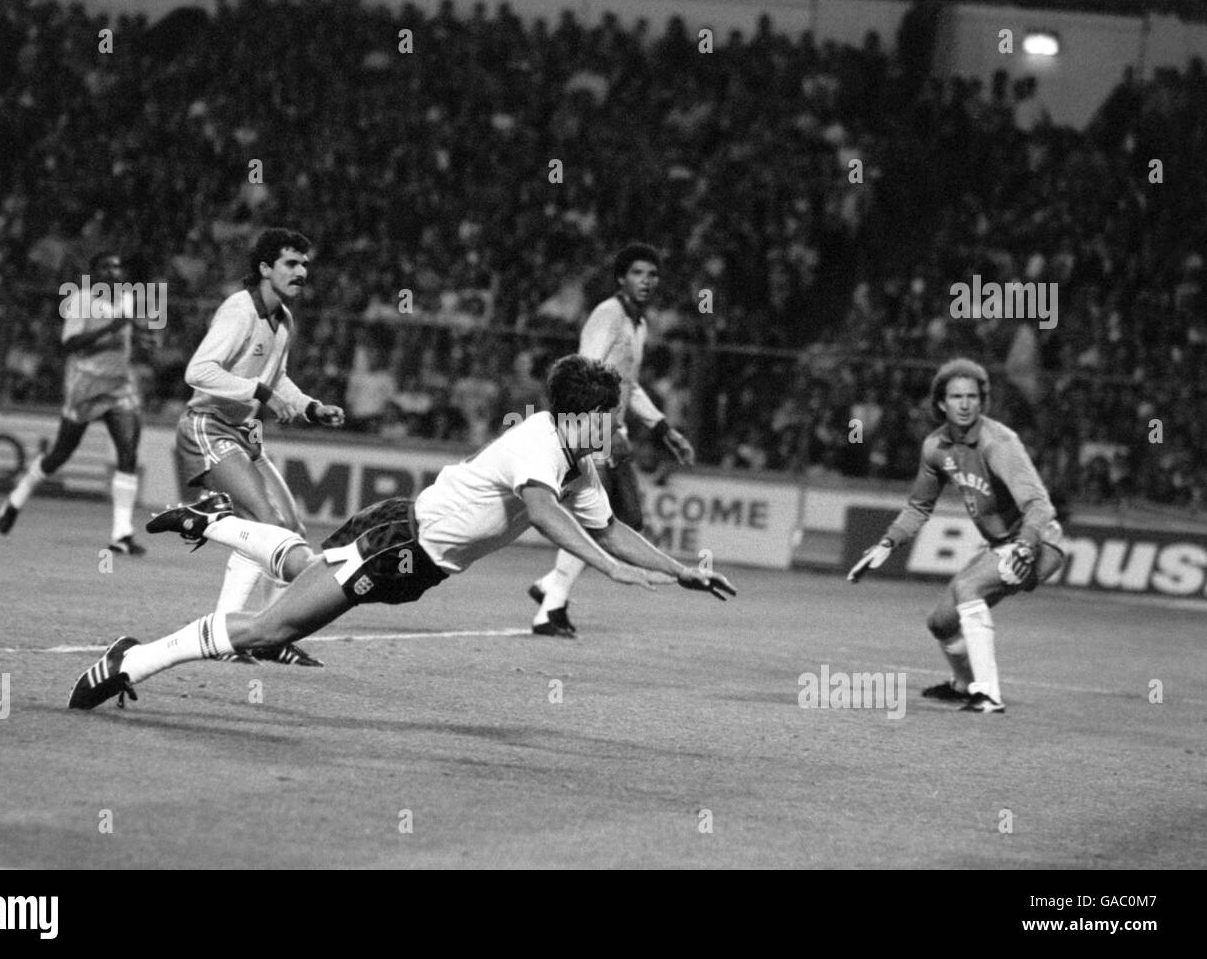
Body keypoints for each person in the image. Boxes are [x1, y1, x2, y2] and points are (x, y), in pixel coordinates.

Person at [69, 356, 736, 710]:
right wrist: (612, 571)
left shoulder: (578, 464)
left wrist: (680, 569)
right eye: (609, 418)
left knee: (303, 564)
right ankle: (129, 660)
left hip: (406, 553)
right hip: (397, 547)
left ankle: (217, 522)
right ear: (579, 415)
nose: (616, 429)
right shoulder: (539, 443)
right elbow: (541, 510)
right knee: (269, 631)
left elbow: (611, 526)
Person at [847, 358, 1065, 714]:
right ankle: (964, 685)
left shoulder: (1000, 443)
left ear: (982, 401)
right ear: (940, 403)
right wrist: (888, 543)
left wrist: (1025, 547)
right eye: (956, 397)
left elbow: (1040, 506)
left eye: (972, 397)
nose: (965, 404)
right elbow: (919, 506)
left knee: (968, 589)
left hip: (1040, 544)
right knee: (941, 622)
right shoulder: (935, 447)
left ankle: (987, 694)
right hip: (999, 545)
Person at [173, 228, 345, 666]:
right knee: (265, 523)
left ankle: (257, 633)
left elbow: (276, 378)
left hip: (244, 434)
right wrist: (262, 395)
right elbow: (198, 371)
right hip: (207, 426)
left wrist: (309, 407)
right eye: (291, 263)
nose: (302, 271)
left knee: (289, 528)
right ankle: (235, 633)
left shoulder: (283, 318)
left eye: (305, 264)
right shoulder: (238, 310)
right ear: (265, 268)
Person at [528, 244, 696, 638]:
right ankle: (550, 609)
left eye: (653, 275)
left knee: (629, 520)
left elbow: (629, 384)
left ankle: (550, 584)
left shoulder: (638, 324)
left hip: (606, 428)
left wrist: (662, 429)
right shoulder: (608, 315)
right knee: (598, 518)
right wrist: (608, 430)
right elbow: (584, 371)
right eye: (638, 273)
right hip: (590, 426)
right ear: (621, 277)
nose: (647, 281)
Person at [0, 252, 146, 554]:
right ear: (94, 273)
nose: (114, 271)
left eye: (118, 266)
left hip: (119, 385)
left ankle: (122, 533)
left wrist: (142, 337)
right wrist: (109, 329)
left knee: (128, 453)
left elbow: (128, 337)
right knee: (60, 455)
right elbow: (69, 344)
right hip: (86, 385)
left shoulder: (129, 298)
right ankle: (17, 497)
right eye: (106, 267)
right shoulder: (81, 300)